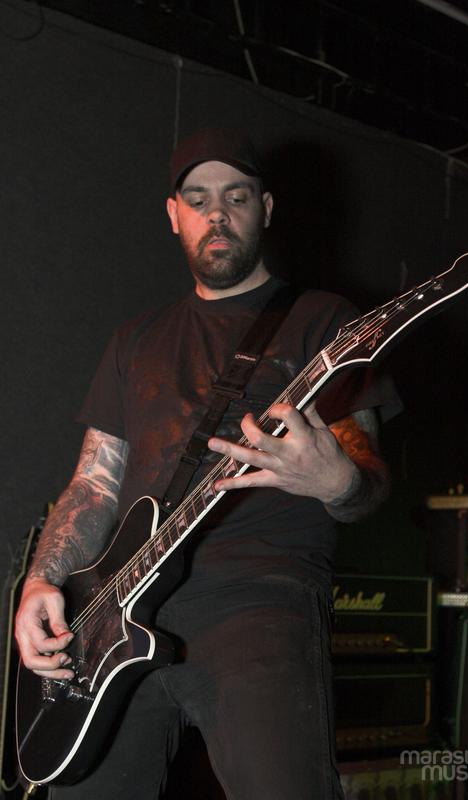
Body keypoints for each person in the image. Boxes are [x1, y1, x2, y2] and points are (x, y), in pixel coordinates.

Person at [15, 129, 395, 800]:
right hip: (115, 616)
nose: (216, 215)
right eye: (198, 199)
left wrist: (335, 480)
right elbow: (95, 484)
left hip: (258, 597)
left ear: (265, 209)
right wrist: (41, 581)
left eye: (236, 197)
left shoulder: (323, 321)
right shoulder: (136, 338)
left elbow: (367, 476)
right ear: (174, 214)